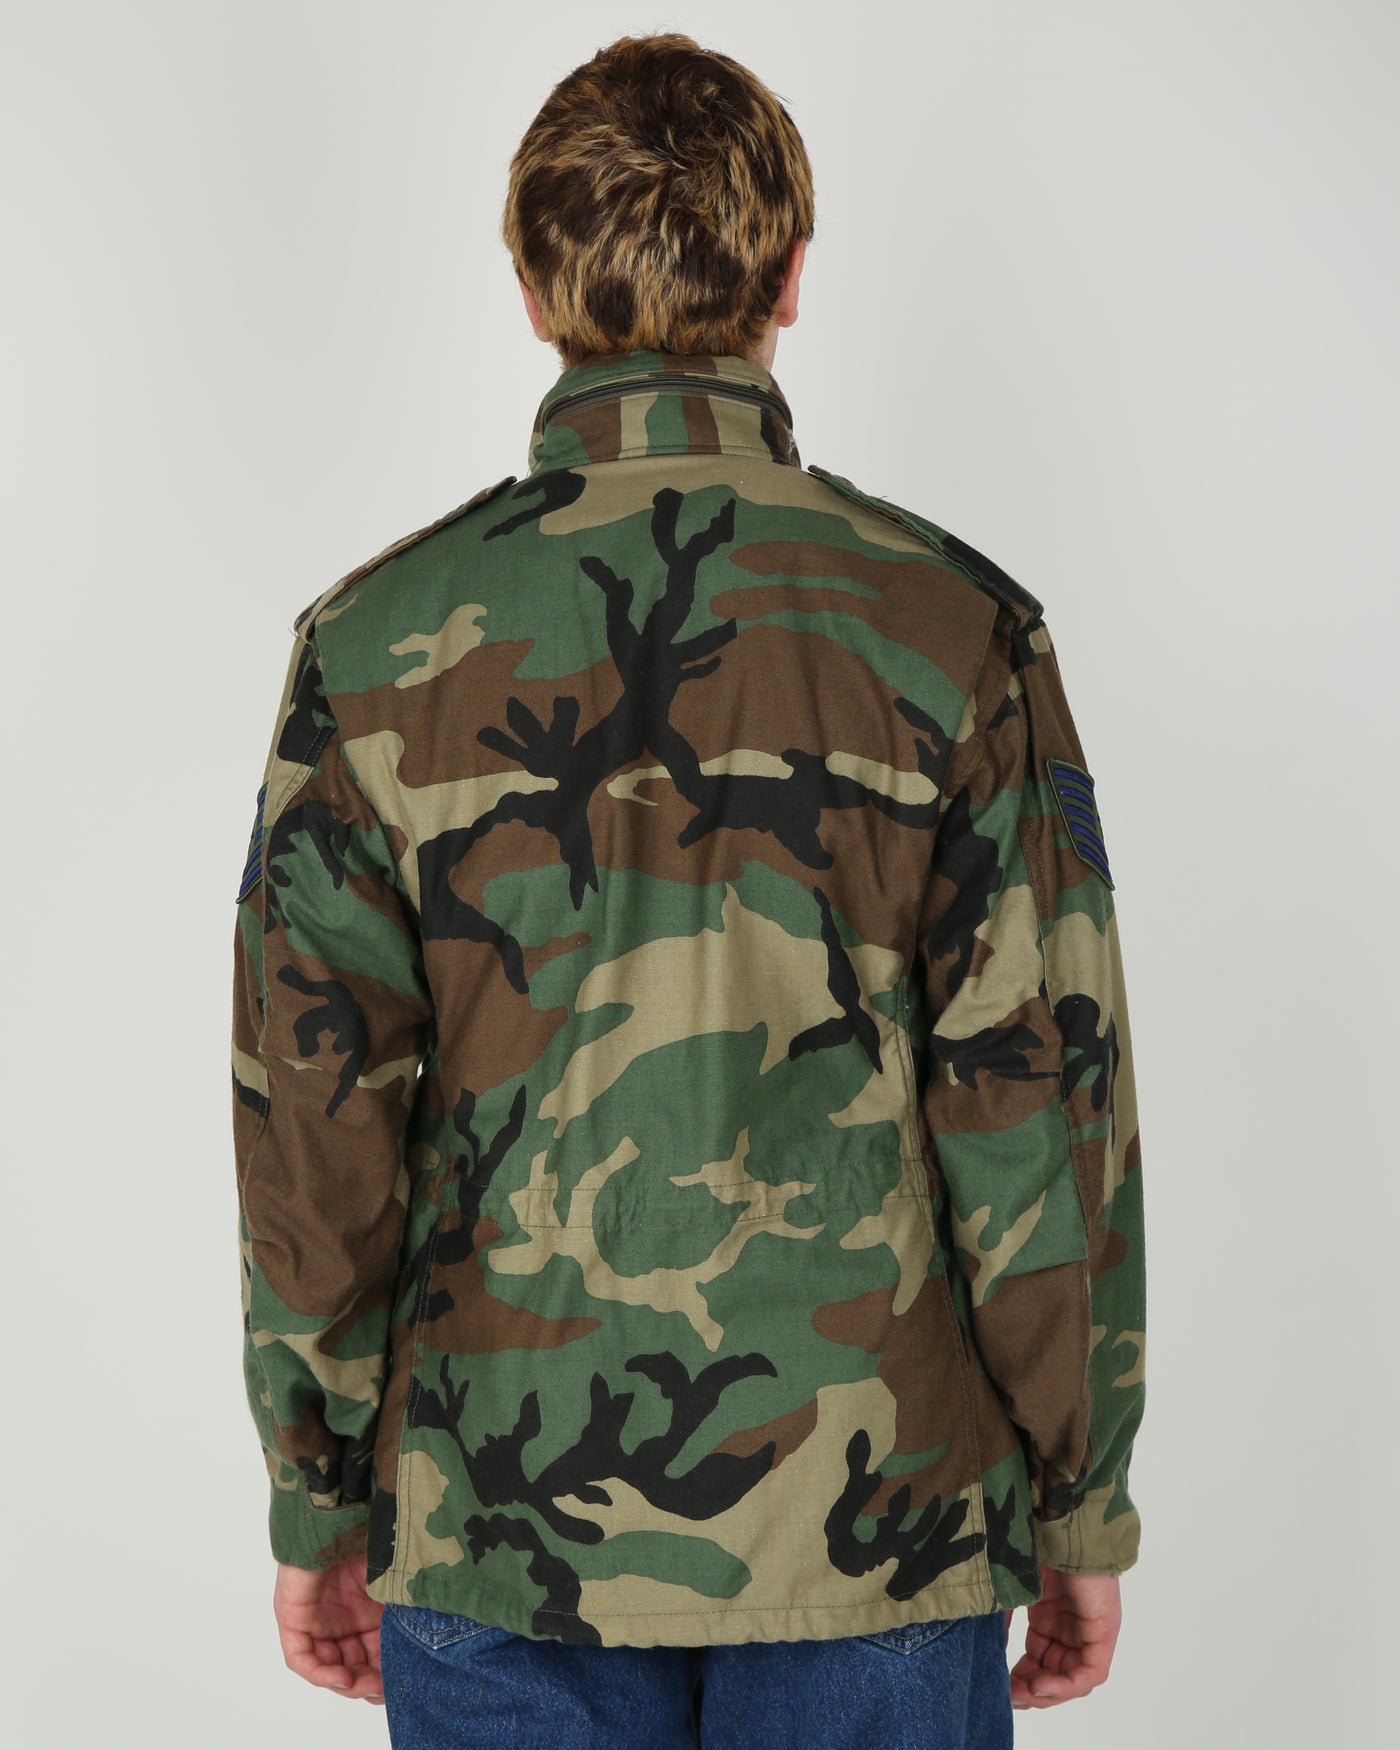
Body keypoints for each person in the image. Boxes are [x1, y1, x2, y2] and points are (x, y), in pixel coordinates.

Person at [231, 30, 1147, 1748]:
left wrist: (316, 1484)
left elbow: (314, 1121)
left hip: (496, 1525)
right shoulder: (959, 631)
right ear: (792, 277)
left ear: (531, 290)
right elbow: (1040, 1102)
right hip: (881, 1533)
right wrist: (1082, 1495)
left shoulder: (368, 651)